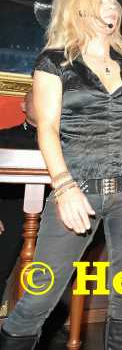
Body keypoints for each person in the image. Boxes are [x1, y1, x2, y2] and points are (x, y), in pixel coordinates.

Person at [0, 0, 122, 350]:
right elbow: (47, 127)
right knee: (40, 294)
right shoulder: (54, 62)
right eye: (103, 0)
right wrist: (64, 186)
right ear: (80, 9)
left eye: (115, 0)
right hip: (77, 191)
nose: (113, 7)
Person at [0, 91, 39, 305]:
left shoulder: (66, 142)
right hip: (9, 211)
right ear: (24, 106)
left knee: (50, 277)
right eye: (36, 99)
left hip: (52, 214)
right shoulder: (4, 137)